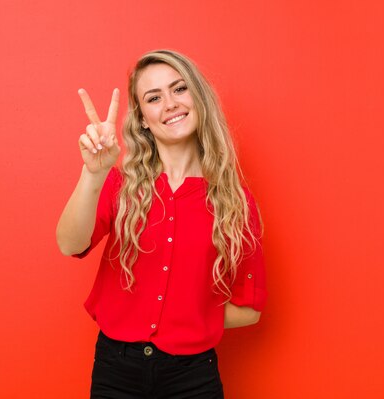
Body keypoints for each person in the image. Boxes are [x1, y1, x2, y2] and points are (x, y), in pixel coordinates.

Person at [56, 49, 267, 399]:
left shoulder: (237, 203)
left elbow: (249, 310)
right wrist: (93, 174)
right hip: (116, 371)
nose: (170, 103)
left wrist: (185, 314)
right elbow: (70, 244)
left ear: (197, 98)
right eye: (154, 97)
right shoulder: (120, 184)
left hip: (193, 377)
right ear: (141, 118)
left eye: (179, 89)